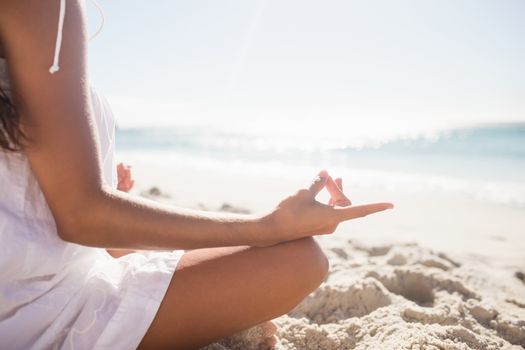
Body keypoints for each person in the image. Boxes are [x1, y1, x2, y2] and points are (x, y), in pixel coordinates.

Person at [0, 1, 393, 349]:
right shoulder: (43, 7)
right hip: (36, 313)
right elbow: (81, 216)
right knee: (300, 259)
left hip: (28, 274)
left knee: (142, 254)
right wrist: (267, 226)